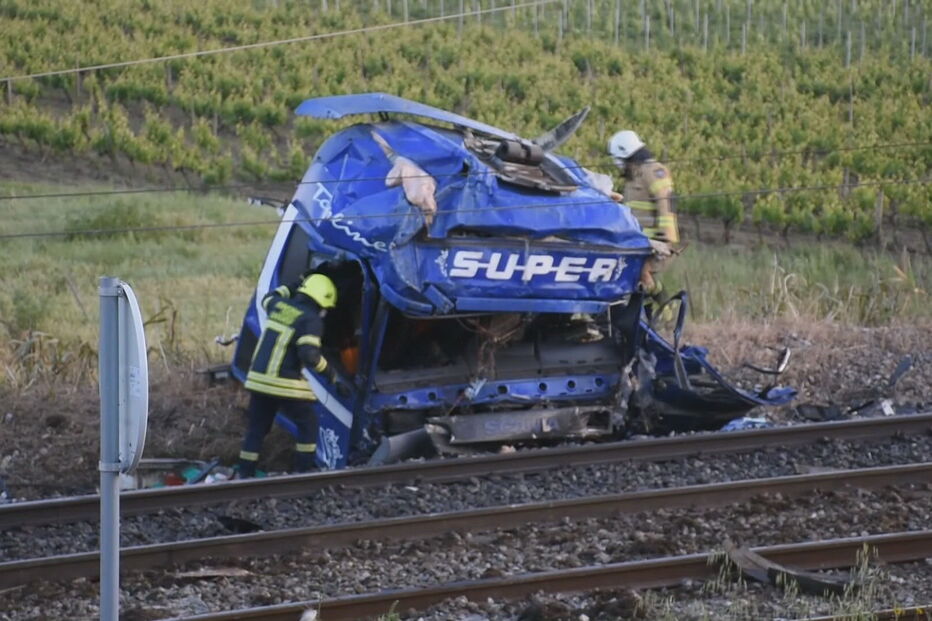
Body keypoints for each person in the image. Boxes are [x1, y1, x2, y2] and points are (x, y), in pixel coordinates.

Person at [237, 273, 345, 477]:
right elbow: (310, 355)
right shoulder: (310, 320)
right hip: (282, 382)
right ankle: (303, 473)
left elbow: (269, 296)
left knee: (256, 429)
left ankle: (245, 475)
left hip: (258, 380)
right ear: (321, 301)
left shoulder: (278, 305)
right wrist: (333, 376)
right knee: (308, 423)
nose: (325, 312)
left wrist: (295, 283)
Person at [607, 130, 679, 306]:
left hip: (653, 243)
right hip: (636, 242)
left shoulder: (654, 171)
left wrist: (665, 240)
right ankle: (650, 317)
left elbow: (666, 207)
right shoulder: (634, 176)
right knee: (636, 283)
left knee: (644, 277)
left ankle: (667, 310)